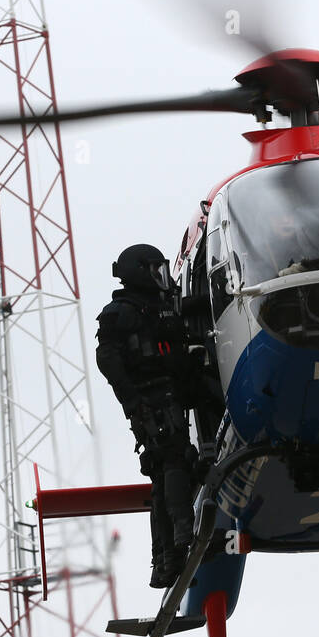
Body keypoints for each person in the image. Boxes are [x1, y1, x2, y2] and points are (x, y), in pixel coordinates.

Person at [95, 243, 198, 589]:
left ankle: (164, 560)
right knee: (175, 461)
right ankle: (181, 542)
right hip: (152, 399)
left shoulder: (159, 307)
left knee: (163, 471)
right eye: (155, 270)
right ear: (139, 271)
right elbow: (107, 359)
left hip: (163, 395)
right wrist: (134, 400)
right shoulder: (121, 312)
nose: (161, 277)